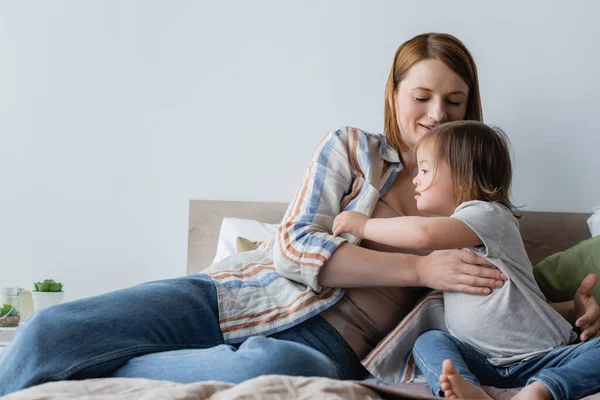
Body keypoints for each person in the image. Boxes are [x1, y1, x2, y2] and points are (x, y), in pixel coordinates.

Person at [0, 33, 598, 396]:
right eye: (421, 97)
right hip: (237, 297)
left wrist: (578, 312)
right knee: (52, 331)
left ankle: (92, 372)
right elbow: (291, 245)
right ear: (394, 96)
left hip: (328, 349)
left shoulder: (481, 214)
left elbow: (503, 314)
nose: (436, 113)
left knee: (274, 368)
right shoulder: (351, 149)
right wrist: (420, 271)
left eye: (454, 100)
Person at [332, 120, 600, 400]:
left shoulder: (490, 216)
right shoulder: (458, 231)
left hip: (544, 356)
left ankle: (544, 388)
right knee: (429, 341)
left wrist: (363, 226)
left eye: (425, 169)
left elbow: (422, 234)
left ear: (463, 175)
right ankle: (467, 389)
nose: (415, 179)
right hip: (485, 362)